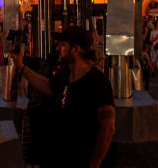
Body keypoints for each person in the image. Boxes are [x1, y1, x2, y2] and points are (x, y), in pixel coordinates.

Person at [11, 25, 115, 167]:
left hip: (84, 160)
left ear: (76, 50)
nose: (58, 48)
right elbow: (47, 86)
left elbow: (108, 129)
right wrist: (20, 66)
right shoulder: (66, 75)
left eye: (63, 45)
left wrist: (94, 164)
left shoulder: (98, 82)